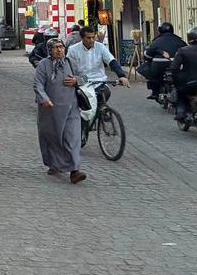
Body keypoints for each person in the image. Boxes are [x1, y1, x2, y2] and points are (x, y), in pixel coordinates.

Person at [33, 38, 86, 184]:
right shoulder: (44, 65)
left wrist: (76, 80)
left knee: (72, 138)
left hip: (71, 107)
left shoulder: (70, 63)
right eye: (55, 47)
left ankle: (75, 171)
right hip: (50, 109)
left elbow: (84, 76)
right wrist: (44, 98)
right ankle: (54, 164)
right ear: (49, 50)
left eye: (61, 47)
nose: (59, 50)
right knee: (53, 138)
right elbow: (38, 84)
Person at [67, 27, 131, 109]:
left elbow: (111, 61)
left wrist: (121, 76)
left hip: (99, 81)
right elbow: (69, 67)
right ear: (82, 38)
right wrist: (74, 79)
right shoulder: (73, 50)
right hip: (82, 83)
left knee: (105, 95)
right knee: (84, 105)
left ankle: (101, 112)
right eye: (88, 38)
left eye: (93, 37)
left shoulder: (100, 47)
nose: (91, 40)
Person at [169, 28, 197, 123]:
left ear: (190, 38)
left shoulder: (183, 50)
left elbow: (174, 68)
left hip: (190, 82)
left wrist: (175, 78)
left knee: (181, 93)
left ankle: (181, 112)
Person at [143, 22, 185, 99]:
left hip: (159, 65)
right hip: (176, 65)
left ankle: (155, 92)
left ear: (160, 31)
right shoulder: (180, 40)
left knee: (150, 72)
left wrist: (151, 59)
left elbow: (147, 55)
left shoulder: (156, 41)